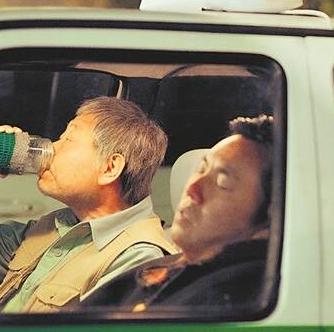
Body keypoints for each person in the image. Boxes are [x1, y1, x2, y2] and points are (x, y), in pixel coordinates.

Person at [0, 96, 177, 313]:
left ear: (109, 168)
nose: (52, 148)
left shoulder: (138, 259)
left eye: (68, 139)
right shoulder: (60, 227)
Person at [83, 114, 273, 311]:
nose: (192, 188)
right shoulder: (162, 267)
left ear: (268, 219)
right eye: (201, 169)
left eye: (222, 183)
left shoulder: (235, 297)